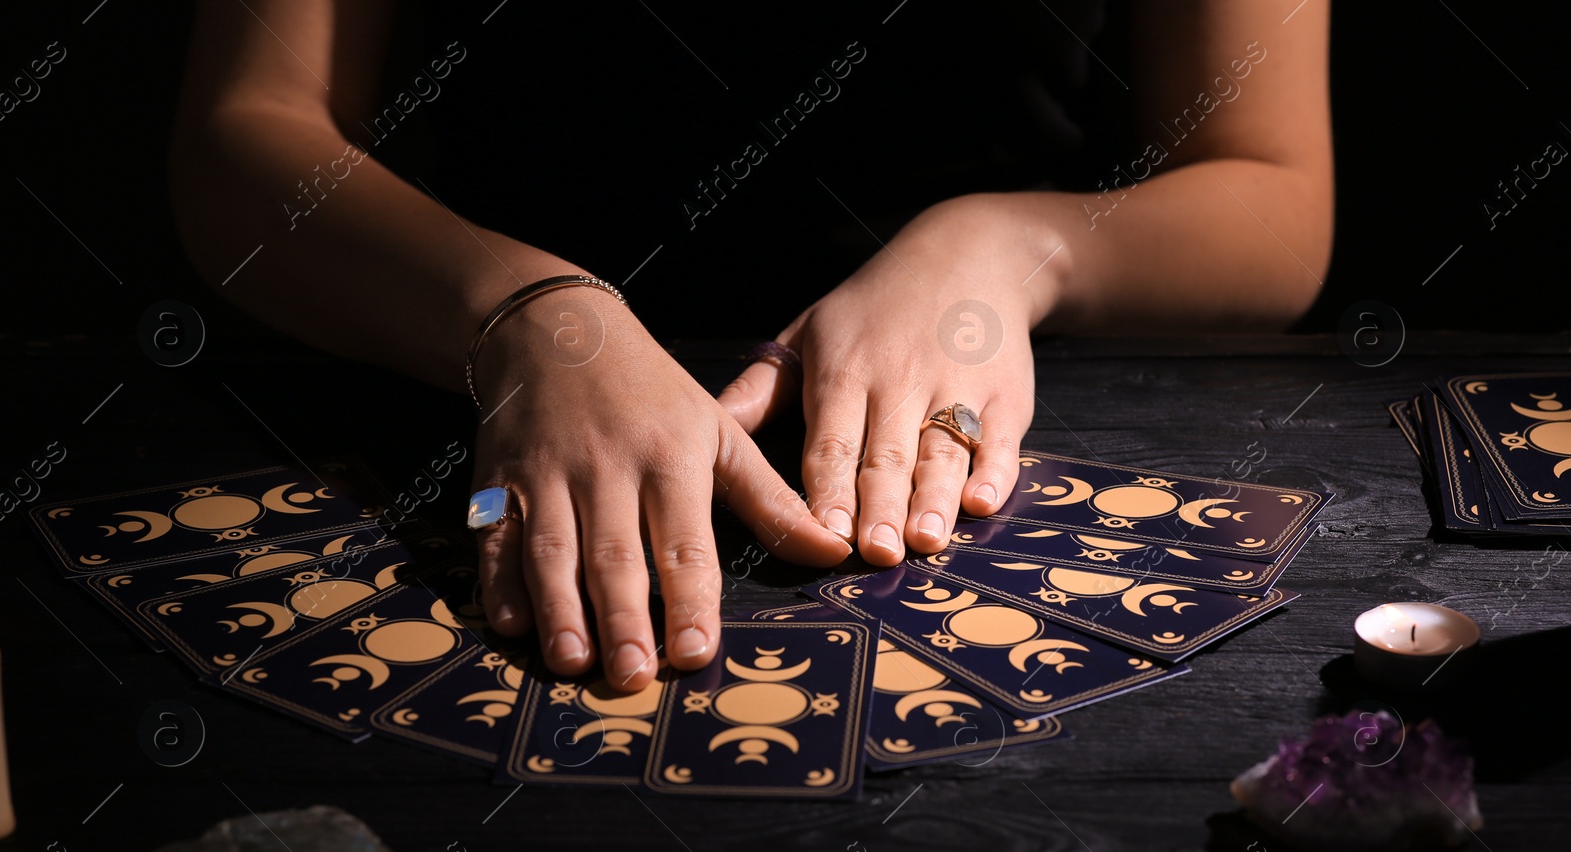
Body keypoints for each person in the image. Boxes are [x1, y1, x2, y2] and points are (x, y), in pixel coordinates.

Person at [170, 0, 1332, 693]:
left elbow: (1274, 200)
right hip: (472, 389)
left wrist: (1011, 248)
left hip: (1001, 411)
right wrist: (516, 310)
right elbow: (244, 139)